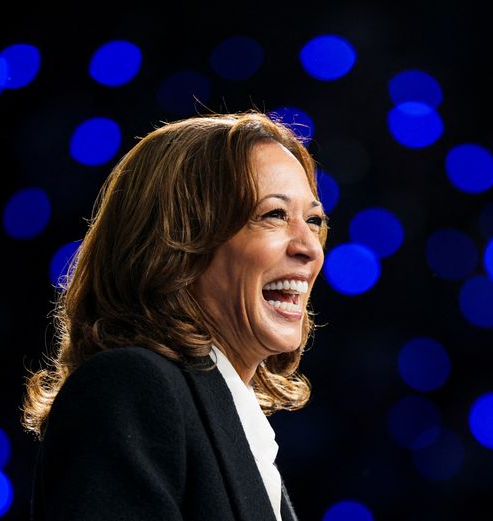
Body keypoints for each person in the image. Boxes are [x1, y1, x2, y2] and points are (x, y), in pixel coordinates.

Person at [22, 112, 328, 521]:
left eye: (314, 220)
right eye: (274, 215)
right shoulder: (129, 387)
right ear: (179, 244)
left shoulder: (235, 420)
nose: (310, 247)